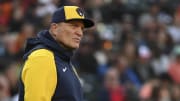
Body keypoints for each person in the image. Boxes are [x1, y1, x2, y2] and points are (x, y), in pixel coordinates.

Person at [18, 5, 94, 101]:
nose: (80, 33)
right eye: (74, 26)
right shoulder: (43, 58)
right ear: (54, 28)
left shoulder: (64, 61)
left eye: (82, 29)